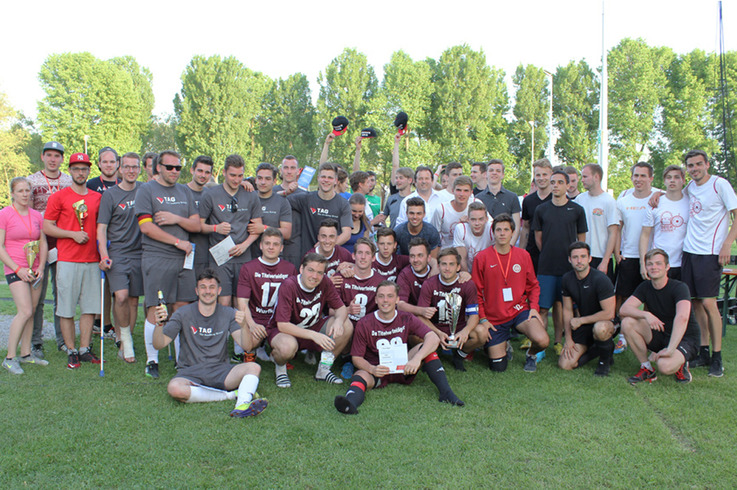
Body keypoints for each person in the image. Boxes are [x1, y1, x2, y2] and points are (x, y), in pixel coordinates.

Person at [334, 281, 464, 414]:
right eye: (381, 296)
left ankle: (446, 393)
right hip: (378, 370)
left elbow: (433, 338)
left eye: (390, 296)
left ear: (397, 300)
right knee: (360, 374)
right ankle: (350, 403)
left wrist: (416, 359)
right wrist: (372, 368)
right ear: (376, 300)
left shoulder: (406, 317)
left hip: (403, 367)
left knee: (425, 349)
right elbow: (356, 358)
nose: (385, 300)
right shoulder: (365, 323)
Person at [152, 269, 267, 417]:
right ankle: (231, 395)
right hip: (190, 372)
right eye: (203, 287)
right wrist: (158, 325)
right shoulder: (183, 313)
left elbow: (247, 346)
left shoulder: (228, 313)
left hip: (221, 371)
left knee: (254, 367)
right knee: (175, 388)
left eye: (212, 287)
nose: (208, 291)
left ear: (218, 290)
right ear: (197, 291)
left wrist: (244, 325)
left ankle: (242, 405)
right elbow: (159, 344)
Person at [136, 150, 201, 379]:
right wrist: (176, 241)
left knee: (182, 310)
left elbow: (195, 225)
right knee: (156, 310)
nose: (174, 171)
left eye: (178, 167)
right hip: (158, 257)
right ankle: (152, 360)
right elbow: (146, 227)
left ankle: (182, 362)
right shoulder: (147, 190)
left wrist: (176, 220)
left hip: (183, 260)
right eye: (169, 167)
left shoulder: (185, 190)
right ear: (158, 167)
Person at [679, 150, 737, 375]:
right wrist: (657, 195)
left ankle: (717, 356)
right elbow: (673, 193)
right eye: (690, 166)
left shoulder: (719, 184)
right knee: (695, 303)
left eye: (698, 165)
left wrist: (727, 244)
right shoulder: (690, 187)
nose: (694, 169)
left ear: (707, 164)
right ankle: (703, 351)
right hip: (689, 252)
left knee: (710, 303)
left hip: (710, 252)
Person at [43, 152, 103, 369]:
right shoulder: (59, 196)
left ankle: (85, 348)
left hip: (92, 260)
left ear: (89, 171)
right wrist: (72, 234)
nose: (80, 172)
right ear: (70, 170)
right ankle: (71, 350)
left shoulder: (97, 198)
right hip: (67, 259)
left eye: (84, 168)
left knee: (89, 308)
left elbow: (102, 228)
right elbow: (47, 226)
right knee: (66, 308)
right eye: (76, 168)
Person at [473, 214, 548, 373]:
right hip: (494, 317)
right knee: (498, 367)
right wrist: (483, 318)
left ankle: (532, 354)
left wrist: (533, 308)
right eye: (498, 230)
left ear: (512, 232)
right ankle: (503, 344)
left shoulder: (523, 255)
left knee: (542, 340)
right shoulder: (482, 258)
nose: (502, 233)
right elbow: (476, 292)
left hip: (519, 311)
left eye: (506, 229)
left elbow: (533, 285)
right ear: (493, 233)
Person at [267, 253, 352, 387]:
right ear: (301, 269)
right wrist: (314, 336)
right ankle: (281, 369)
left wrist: (338, 321)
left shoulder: (325, 282)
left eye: (319, 272)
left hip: (313, 326)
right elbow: (282, 325)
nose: (314, 276)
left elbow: (341, 308)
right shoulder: (289, 285)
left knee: (346, 325)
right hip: (286, 331)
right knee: (286, 347)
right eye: (310, 270)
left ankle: (324, 370)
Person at [620, 249, 700, 385]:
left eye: (658, 264)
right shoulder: (645, 286)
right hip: (662, 333)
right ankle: (647, 368)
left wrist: (671, 349)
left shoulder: (680, 287)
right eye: (650, 264)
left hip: (684, 338)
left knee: (664, 366)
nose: (654, 267)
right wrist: (646, 314)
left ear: (667, 267)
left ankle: (681, 363)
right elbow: (624, 309)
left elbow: (682, 318)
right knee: (627, 323)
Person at [532, 170, 588, 354]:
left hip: (567, 268)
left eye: (559, 182)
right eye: (552, 182)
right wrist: (549, 252)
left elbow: (581, 239)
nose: (555, 185)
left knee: (562, 306)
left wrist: (573, 259)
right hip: (546, 266)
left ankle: (558, 340)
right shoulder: (541, 210)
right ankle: (540, 343)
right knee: (542, 306)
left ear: (567, 185)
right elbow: (539, 238)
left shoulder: (577, 210)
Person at [97, 152, 144, 363]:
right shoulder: (110, 195)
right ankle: (122, 337)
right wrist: (104, 254)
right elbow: (102, 228)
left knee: (134, 300)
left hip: (140, 253)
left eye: (135, 167)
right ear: (120, 169)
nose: (131, 170)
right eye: (127, 167)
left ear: (140, 169)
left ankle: (127, 341)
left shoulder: (145, 189)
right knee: (121, 296)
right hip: (117, 253)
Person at [199, 154, 264, 306]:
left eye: (240, 175)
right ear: (223, 172)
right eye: (232, 175)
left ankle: (240, 331)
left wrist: (245, 245)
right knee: (223, 300)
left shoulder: (250, 194)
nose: (236, 180)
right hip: (220, 258)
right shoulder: (211, 195)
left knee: (241, 301)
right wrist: (215, 228)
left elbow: (257, 227)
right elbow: (199, 226)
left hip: (243, 256)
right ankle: (223, 330)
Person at [0, 177, 48, 374]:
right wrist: (17, 269)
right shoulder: (4, 214)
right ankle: (10, 357)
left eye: (27, 190)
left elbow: (43, 242)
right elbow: (0, 246)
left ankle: (26, 353)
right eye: (20, 191)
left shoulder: (36, 215)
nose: (25, 194)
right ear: (12, 193)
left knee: (33, 310)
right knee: (25, 311)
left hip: (34, 269)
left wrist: (42, 267)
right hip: (15, 268)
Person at [28, 141, 71, 357]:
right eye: (49, 155)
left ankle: (62, 339)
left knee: (61, 293)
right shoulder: (32, 181)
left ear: (62, 158)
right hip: (38, 244)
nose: (53, 159)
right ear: (43, 157)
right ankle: (35, 341)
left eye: (57, 155)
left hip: (62, 243)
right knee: (37, 293)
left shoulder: (69, 180)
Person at [417, 248, 484, 371]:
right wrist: (438, 332)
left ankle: (459, 356)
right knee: (415, 336)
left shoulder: (467, 284)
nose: (447, 268)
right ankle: (430, 357)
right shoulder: (429, 284)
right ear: (438, 266)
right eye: (444, 264)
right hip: (436, 327)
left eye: (451, 264)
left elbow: (474, 315)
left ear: (458, 267)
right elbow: (421, 316)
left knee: (481, 333)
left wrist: (466, 331)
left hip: (459, 327)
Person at [236, 228, 297, 362]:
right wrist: (251, 324)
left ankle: (274, 355)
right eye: (267, 243)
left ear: (281, 248)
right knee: (247, 345)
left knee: (287, 349)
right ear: (261, 245)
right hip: (256, 318)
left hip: (278, 322)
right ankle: (254, 347)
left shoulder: (290, 268)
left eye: (275, 244)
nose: (271, 247)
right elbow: (242, 302)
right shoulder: (248, 268)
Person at [558, 242, 616, 376]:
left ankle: (604, 362)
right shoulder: (567, 279)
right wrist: (568, 339)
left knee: (600, 329)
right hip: (583, 326)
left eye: (583, 256)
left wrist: (581, 320)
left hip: (604, 323)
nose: (579, 261)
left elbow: (609, 313)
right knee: (565, 364)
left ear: (590, 258)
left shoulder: (601, 279)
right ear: (569, 259)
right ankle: (599, 349)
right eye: (575, 257)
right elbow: (567, 310)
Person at [615, 162, 659, 319]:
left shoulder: (660, 196)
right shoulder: (623, 201)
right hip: (629, 255)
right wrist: (617, 253)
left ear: (651, 178)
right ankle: (622, 336)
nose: (638, 179)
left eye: (643, 176)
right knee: (625, 298)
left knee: (652, 299)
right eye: (636, 175)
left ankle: (650, 334)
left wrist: (659, 194)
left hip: (653, 256)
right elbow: (617, 230)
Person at [289, 163, 352, 257]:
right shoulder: (305, 198)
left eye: (330, 178)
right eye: (323, 177)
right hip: (308, 257)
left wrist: (326, 245)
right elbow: (279, 201)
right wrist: (286, 191)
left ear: (336, 181)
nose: (326, 180)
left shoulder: (343, 204)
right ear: (318, 178)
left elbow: (346, 234)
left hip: (332, 258)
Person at [639, 165, 689, 281]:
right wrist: (643, 263)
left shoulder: (690, 201)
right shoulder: (655, 203)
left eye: (676, 177)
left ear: (683, 181)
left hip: (683, 262)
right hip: (659, 264)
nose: (672, 180)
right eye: (668, 177)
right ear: (664, 181)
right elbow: (645, 235)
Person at [575, 163, 618, 278]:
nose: (582, 180)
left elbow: (613, 232)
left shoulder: (609, 201)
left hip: (601, 257)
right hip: (582, 257)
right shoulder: (579, 199)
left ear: (596, 177)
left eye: (585, 177)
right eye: (581, 177)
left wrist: (605, 261)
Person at [249, 162, 292, 258]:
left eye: (267, 179)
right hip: (248, 255)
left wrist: (264, 228)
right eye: (260, 178)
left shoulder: (282, 202)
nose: (263, 182)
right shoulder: (248, 197)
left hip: (273, 258)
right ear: (255, 180)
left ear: (275, 181)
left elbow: (287, 233)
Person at [519, 158, 553, 272]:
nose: (541, 178)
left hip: (553, 254)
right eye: (538, 175)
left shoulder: (559, 199)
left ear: (551, 175)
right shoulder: (528, 201)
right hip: (532, 254)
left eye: (545, 174)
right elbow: (525, 228)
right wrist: (521, 252)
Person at [476, 159, 521, 244]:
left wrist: (509, 247)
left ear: (503, 175)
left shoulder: (512, 197)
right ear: (486, 174)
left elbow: (517, 227)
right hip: (484, 246)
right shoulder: (477, 198)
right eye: (491, 170)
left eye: (498, 171)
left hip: (506, 246)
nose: (494, 173)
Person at [340, 238, 384, 323]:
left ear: (373, 258)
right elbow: (331, 311)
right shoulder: (341, 278)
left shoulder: (380, 282)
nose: (363, 257)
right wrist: (348, 310)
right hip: (345, 325)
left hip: (369, 328)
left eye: (367, 253)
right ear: (353, 256)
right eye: (360, 253)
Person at [430, 176, 481, 248]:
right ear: (452, 191)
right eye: (458, 190)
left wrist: (470, 222)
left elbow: (488, 225)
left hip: (471, 249)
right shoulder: (441, 209)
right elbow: (433, 235)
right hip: (447, 251)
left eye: (466, 191)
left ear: (471, 193)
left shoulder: (476, 204)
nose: (461, 194)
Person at [274, 155, 305, 268]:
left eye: (292, 168)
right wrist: (286, 192)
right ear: (281, 170)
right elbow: (263, 199)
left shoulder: (304, 194)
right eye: (286, 167)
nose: (289, 171)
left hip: (294, 248)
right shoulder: (271, 191)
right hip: (272, 244)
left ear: (298, 171)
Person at [186, 156, 214, 279]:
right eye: (200, 171)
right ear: (192, 170)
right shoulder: (180, 191)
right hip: (183, 252)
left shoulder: (211, 194)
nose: (203, 175)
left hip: (204, 254)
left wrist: (245, 183)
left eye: (207, 172)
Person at [397, 238, 436, 320]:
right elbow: (400, 305)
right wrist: (422, 311)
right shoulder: (405, 275)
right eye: (412, 256)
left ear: (429, 258)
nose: (415, 260)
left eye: (420, 255)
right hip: (414, 318)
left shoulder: (436, 271)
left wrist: (463, 274)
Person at [453, 201, 494, 273]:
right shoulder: (461, 229)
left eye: (481, 219)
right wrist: (468, 279)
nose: (477, 223)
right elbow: (462, 259)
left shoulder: (492, 229)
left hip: (488, 270)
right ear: (468, 219)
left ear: (487, 219)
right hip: (467, 270)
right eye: (473, 219)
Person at [384, 135, 414, 229]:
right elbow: (394, 166)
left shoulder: (416, 199)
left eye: (401, 178)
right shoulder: (391, 199)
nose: (397, 180)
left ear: (410, 180)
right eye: (396, 178)